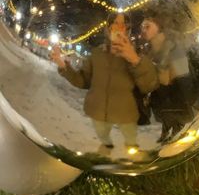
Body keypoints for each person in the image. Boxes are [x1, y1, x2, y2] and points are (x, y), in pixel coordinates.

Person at [51, 13, 158, 149]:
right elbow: (83, 81)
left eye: (123, 25)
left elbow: (150, 85)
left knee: (130, 139)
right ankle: (107, 146)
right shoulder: (97, 54)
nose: (119, 28)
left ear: (128, 29)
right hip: (98, 112)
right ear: (108, 29)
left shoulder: (137, 53)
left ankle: (132, 152)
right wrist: (63, 66)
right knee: (103, 136)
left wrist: (135, 60)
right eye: (115, 24)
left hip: (126, 114)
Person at [141, 12, 195, 142]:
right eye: (142, 26)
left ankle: (177, 127)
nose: (143, 30)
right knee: (163, 109)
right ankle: (167, 127)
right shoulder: (151, 49)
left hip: (175, 97)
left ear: (158, 26)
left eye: (147, 26)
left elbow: (181, 78)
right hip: (162, 98)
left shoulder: (172, 46)